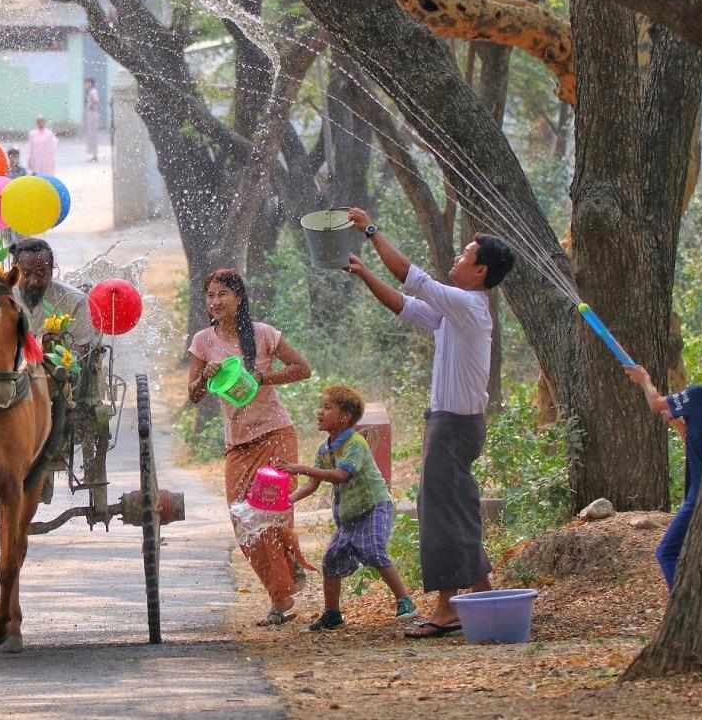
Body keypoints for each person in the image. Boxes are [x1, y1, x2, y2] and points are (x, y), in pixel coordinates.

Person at [342, 207, 515, 638]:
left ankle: (447, 609)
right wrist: (366, 274)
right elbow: (406, 305)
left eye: (466, 254)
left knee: (440, 516)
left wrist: (371, 231)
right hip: (451, 425)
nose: (457, 257)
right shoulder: (458, 311)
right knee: (454, 510)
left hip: (454, 429)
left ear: (481, 272)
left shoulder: (468, 305)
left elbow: (411, 276)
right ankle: (481, 593)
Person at [188, 268, 314, 626]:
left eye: (222, 294)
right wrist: (204, 377)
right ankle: (283, 584)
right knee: (243, 521)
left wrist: (263, 378)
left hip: (276, 434)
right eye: (210, 296)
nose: (215, 302)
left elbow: (302, 369)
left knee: (270, 513)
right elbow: (193, 396)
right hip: (237, 444)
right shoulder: (202, 342)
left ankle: (281, 599)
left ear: (238, 298)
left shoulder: (263, 334)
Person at [284, 385, 417, 631]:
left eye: (327, 407)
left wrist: (301, 468)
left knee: (373, 548)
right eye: (320, 406)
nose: (319, 412)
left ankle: (405, 601)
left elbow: (340, 475)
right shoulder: (324, 449)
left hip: (375, 507)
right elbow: (313, 484)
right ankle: (332, 615)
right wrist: (289, 500)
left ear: (345, 417)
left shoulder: (355, 443)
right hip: (348, 516)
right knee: (331, 561)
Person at [625, 346, 702, 589]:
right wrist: (679, 425)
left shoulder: (699, 396)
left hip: (700, 496)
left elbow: (656, 402)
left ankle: (682, 608)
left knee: (666, 552)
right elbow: (698, 441)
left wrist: (645, 380)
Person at [9, 238, 91, 350]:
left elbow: (81, 349)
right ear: (14, 269)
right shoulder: (0, 299)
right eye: (27, 273)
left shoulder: (74, 301)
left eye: (41, 273)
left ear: (52, 271)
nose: (34, 281)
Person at [83, 78, 100, 162]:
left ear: (91, 83)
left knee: (93, 135)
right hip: (91, 114)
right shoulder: (91, 91)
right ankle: (94, 154)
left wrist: (91, 106)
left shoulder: (93, 91)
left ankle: (95, 155)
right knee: (91, 135)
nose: (86, 85)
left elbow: (95, 100)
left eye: (87, 83)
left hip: (92, 114)